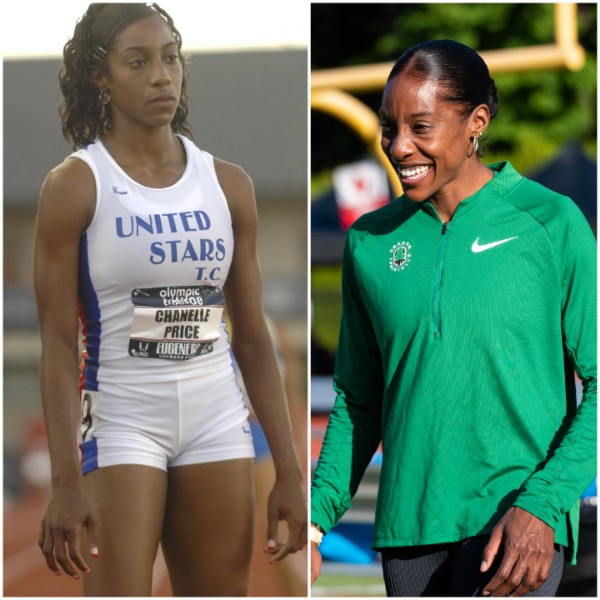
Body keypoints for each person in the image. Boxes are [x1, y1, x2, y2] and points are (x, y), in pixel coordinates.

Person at [33, 3, 306, 596]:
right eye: (138, 62)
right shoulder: (76, 185)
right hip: (123, 417)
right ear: (101, 78)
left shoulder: (227, 185)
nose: (162, 75)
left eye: (170, 58)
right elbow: (55, 345)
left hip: (216, 416)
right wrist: (65, 480)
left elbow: (254, 337)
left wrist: (288, 467)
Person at [310, 39, 596, 597]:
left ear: (476, 123)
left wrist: (543, 506)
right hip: (409, 534)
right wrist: (315, 522)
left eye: (421, 126)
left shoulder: (551, 222)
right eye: (389, 127)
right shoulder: (369, 242)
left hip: (518, 529)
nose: (399, 146)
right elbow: (359, 399)